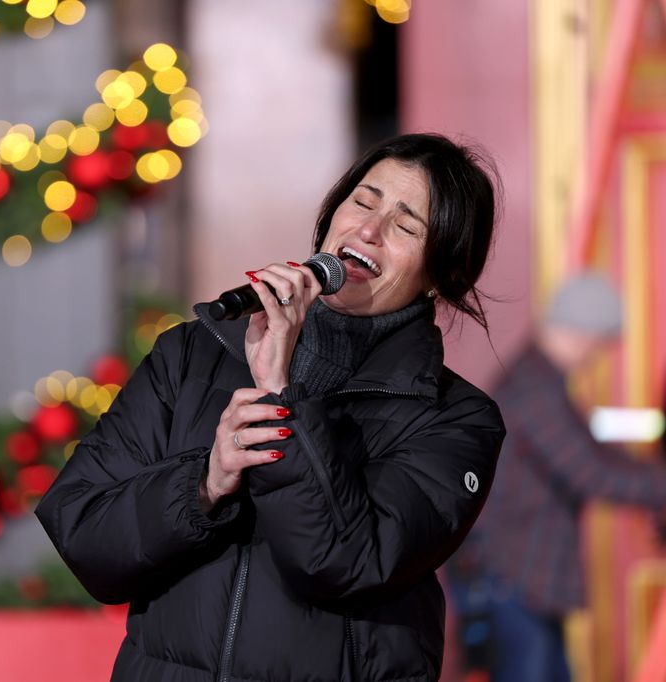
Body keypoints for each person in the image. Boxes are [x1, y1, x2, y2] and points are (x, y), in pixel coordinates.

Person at [36, 133, 506, 682]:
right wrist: (205, 483)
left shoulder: (456, 419)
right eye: (363, 201)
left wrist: (283, 395)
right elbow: (84, 535)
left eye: (406, 227)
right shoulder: (192, 355)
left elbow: (346, 563)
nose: (369, 230)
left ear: (444, 275)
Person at [452, 272, 666, 682]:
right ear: (584, 333)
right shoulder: (534, 389)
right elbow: (591, 473)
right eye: (600, 343)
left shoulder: (542, 379)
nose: (596, 356)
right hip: (514, 578)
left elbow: (593, 454)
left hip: (523, 579)